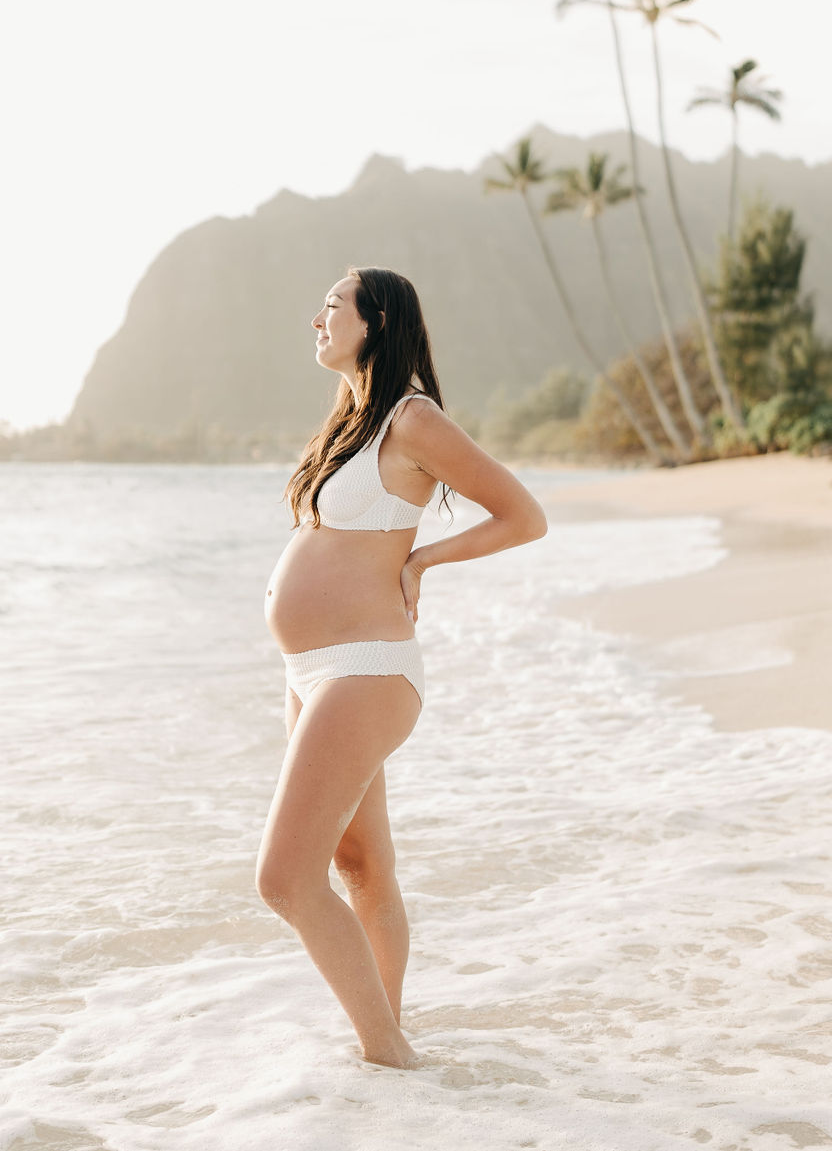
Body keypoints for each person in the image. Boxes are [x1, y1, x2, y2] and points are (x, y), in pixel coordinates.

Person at [257, 266, 548, 1069]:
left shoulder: (412, 418)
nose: (314, 319)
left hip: (368, 665)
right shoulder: (350, 420)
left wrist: (423, 562)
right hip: (311, 670)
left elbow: (524, 514)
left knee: (284, 878)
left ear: (376, 319)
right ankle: (387, 1051)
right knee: (360, 865)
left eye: (330, 307)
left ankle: (389, 1055)